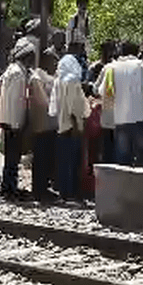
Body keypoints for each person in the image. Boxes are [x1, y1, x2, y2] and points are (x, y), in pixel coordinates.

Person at [106, 41, 143, 167]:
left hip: (120, 120)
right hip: (141, 119)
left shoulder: (112, 67)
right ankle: (142, 185)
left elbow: (106, 92)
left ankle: (123, 185)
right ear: (137, 52)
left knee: (123, 160)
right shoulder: (142, 67)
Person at [0, 38, 36, 198]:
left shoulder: (10, 70)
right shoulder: (19, 74)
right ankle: (9, 187)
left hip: (6, 118)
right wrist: (18, 123)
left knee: (10, 157)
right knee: (13, 158)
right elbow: (17, 100)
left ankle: (8, 185)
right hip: (13, 121)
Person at [52, 42, 89, 200]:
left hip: (61, 124)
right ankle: (71, 192)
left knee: (63, 160)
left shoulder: (58, 81)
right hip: (73, 125)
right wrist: (78, 121)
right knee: (73, 161)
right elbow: (77, 107)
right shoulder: (73, 82)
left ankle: (63, 191)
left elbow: (54, 105)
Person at [30, 48, 59, 200]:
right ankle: (38, 189)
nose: (56, 64)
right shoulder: (37, 77)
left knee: (48, 158)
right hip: (41, 124)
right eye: (53, 61)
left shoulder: (49, 76)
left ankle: (45, 187)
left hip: (51, 124)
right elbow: (43, 101)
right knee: (41, 158)